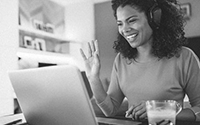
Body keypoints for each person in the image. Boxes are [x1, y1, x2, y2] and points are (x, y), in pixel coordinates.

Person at [80, 0, 200, 123]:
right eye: (120, 24)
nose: (125, 29)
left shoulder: (185, 57)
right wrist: (93, 78)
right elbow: (110, 110)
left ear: (154, 18)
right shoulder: (121, 60)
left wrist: (162, 112)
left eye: (131, 20)